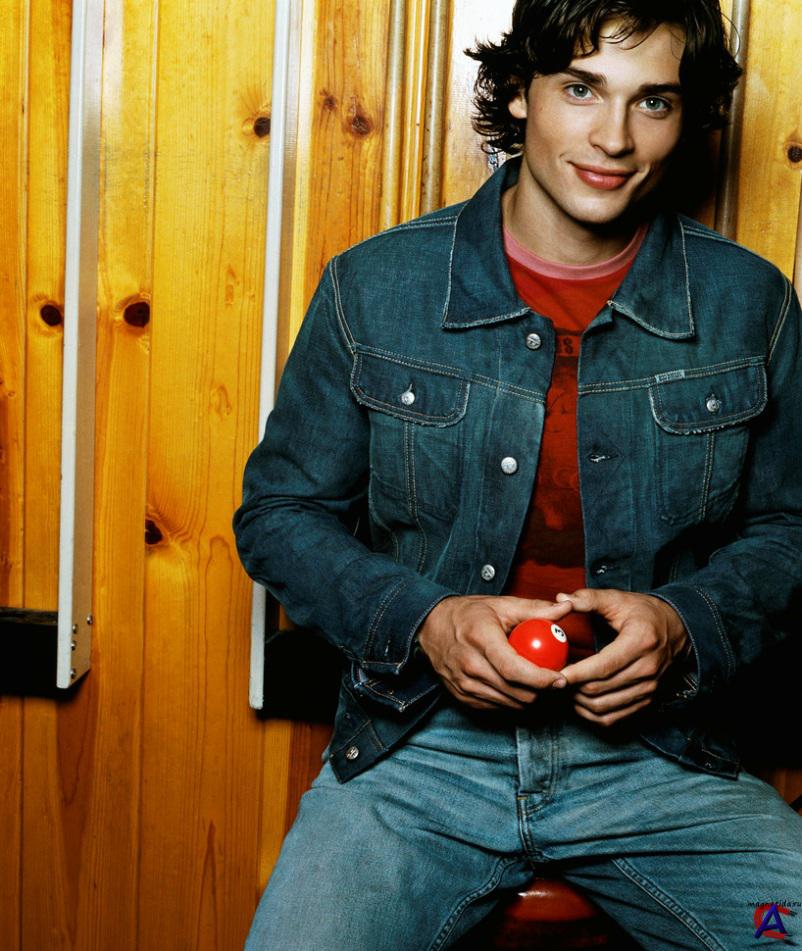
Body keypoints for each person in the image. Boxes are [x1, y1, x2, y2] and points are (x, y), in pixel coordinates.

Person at [234, 0, 802, 947]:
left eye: (653, 101)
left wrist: (682, 624)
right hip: (418, 750)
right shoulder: (373, 287)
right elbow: (280, 513)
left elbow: (791, 528)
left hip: (657, 759)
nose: (614, 137)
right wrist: (427, 620)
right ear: (518, 92)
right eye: (581, 89)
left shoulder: (750, 303)